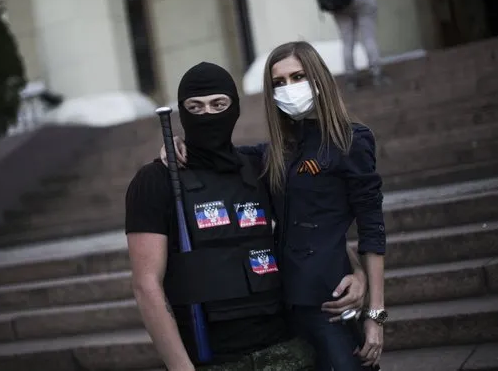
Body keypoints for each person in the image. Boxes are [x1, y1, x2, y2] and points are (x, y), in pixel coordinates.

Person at [126, 61, 367, 371]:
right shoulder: (155, 181)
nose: (207, 115)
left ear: (235, 108)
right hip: (214, 360)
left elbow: (313, 232)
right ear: (181, 113)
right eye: (195, 107)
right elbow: (146, 285)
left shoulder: (261, 167)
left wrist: (359, 275)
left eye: (218, 104)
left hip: (288, 351)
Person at [318, 0, 386, 90]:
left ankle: (351, 79)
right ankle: (377, 74)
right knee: (368, 37)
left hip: (340, 0)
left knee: (347, 41)